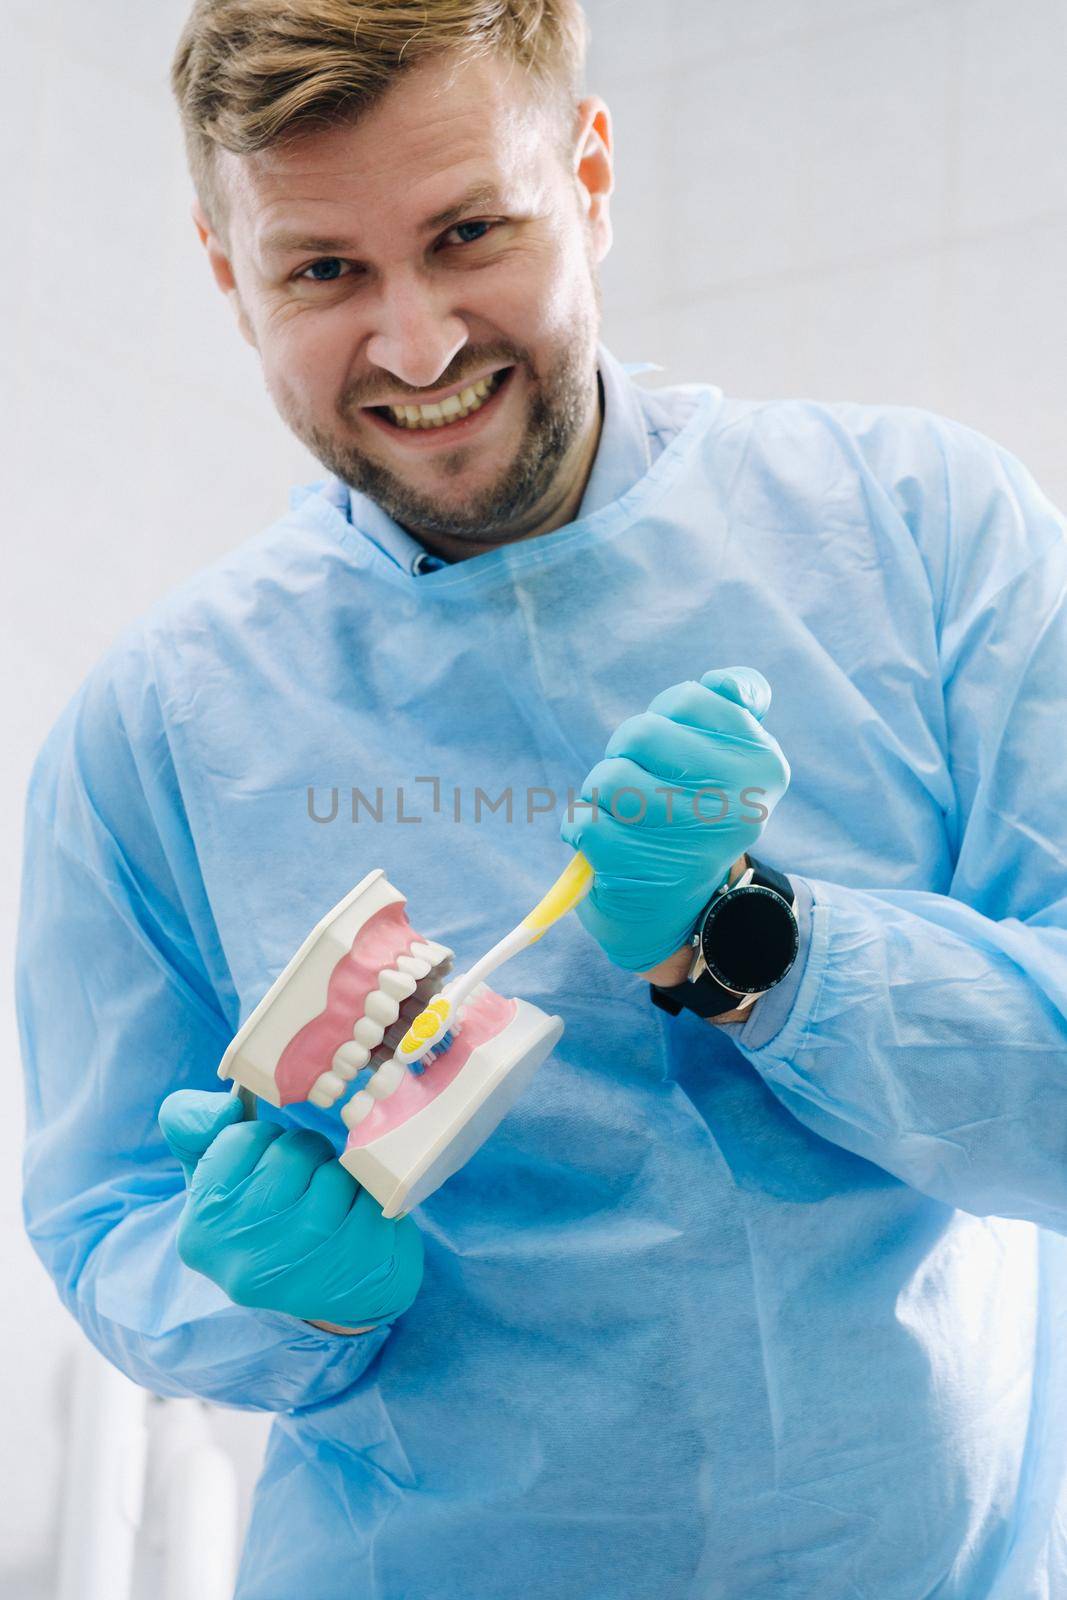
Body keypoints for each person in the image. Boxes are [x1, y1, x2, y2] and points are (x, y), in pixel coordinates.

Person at [17, 2, 1067, 1595]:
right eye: (324, 271)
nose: (419, 343)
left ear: (585, 172)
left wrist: (755, 946)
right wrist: (262, 1285)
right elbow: (112, 1220)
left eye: (468, 231)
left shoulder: (924, 535)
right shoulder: (153, 732)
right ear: (231, 276)